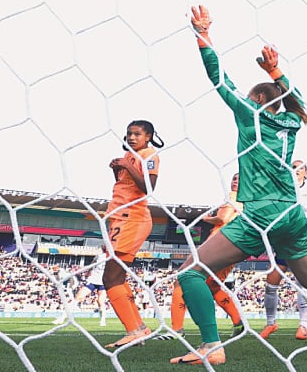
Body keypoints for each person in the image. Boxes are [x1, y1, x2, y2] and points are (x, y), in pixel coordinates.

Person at [169, 5, 307, 366]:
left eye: (252, 96)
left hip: (262, 213)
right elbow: (298, 100)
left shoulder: (250, 115)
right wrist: (276, 71)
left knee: (190, 271)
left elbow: (219, 80)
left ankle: (211, 345)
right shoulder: (292, 123)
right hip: (292, 214)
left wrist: (203, 35)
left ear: (258, 100)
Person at [156, 172, 244, 341]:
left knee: (183, 278)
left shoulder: (232, 196)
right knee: (213, 286)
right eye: (234, 178)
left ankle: (177, 329)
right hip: (236, 246)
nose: (235, 181)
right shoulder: (248, 202)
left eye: (240, 179)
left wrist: (207, 219)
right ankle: (238, 322)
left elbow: (223, 218)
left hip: (219, 243)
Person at [101, 120, 163, 348]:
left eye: (137, 134)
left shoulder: (149, 155)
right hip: (120, 218)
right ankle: (139, 328)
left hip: (132, 219)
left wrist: (127, 166)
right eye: (129, 133)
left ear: (148, 136)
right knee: (117, 278)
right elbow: (126, 187)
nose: (132, 137)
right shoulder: (130, 156)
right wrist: (118, 170)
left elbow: (148, 187)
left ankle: (134, 330)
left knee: (110, 278)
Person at [259, 159, 307, 341]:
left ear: (306, 173)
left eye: (300, 168)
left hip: (304, 241)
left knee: (302, 284)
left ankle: (303, 325)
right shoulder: (282, 189)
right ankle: (270, 323)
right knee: (271, 283)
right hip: (284, 240)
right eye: (293, 167)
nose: (296, 170)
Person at [52, 244, 110, 327]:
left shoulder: (111, 258)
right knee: (78, 298)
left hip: (103, 282)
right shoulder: (99, 256)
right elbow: (92, 264)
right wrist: (88, 272)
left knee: (100, 301)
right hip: (93, 280)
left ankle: (103, 320)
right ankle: (62, 318)